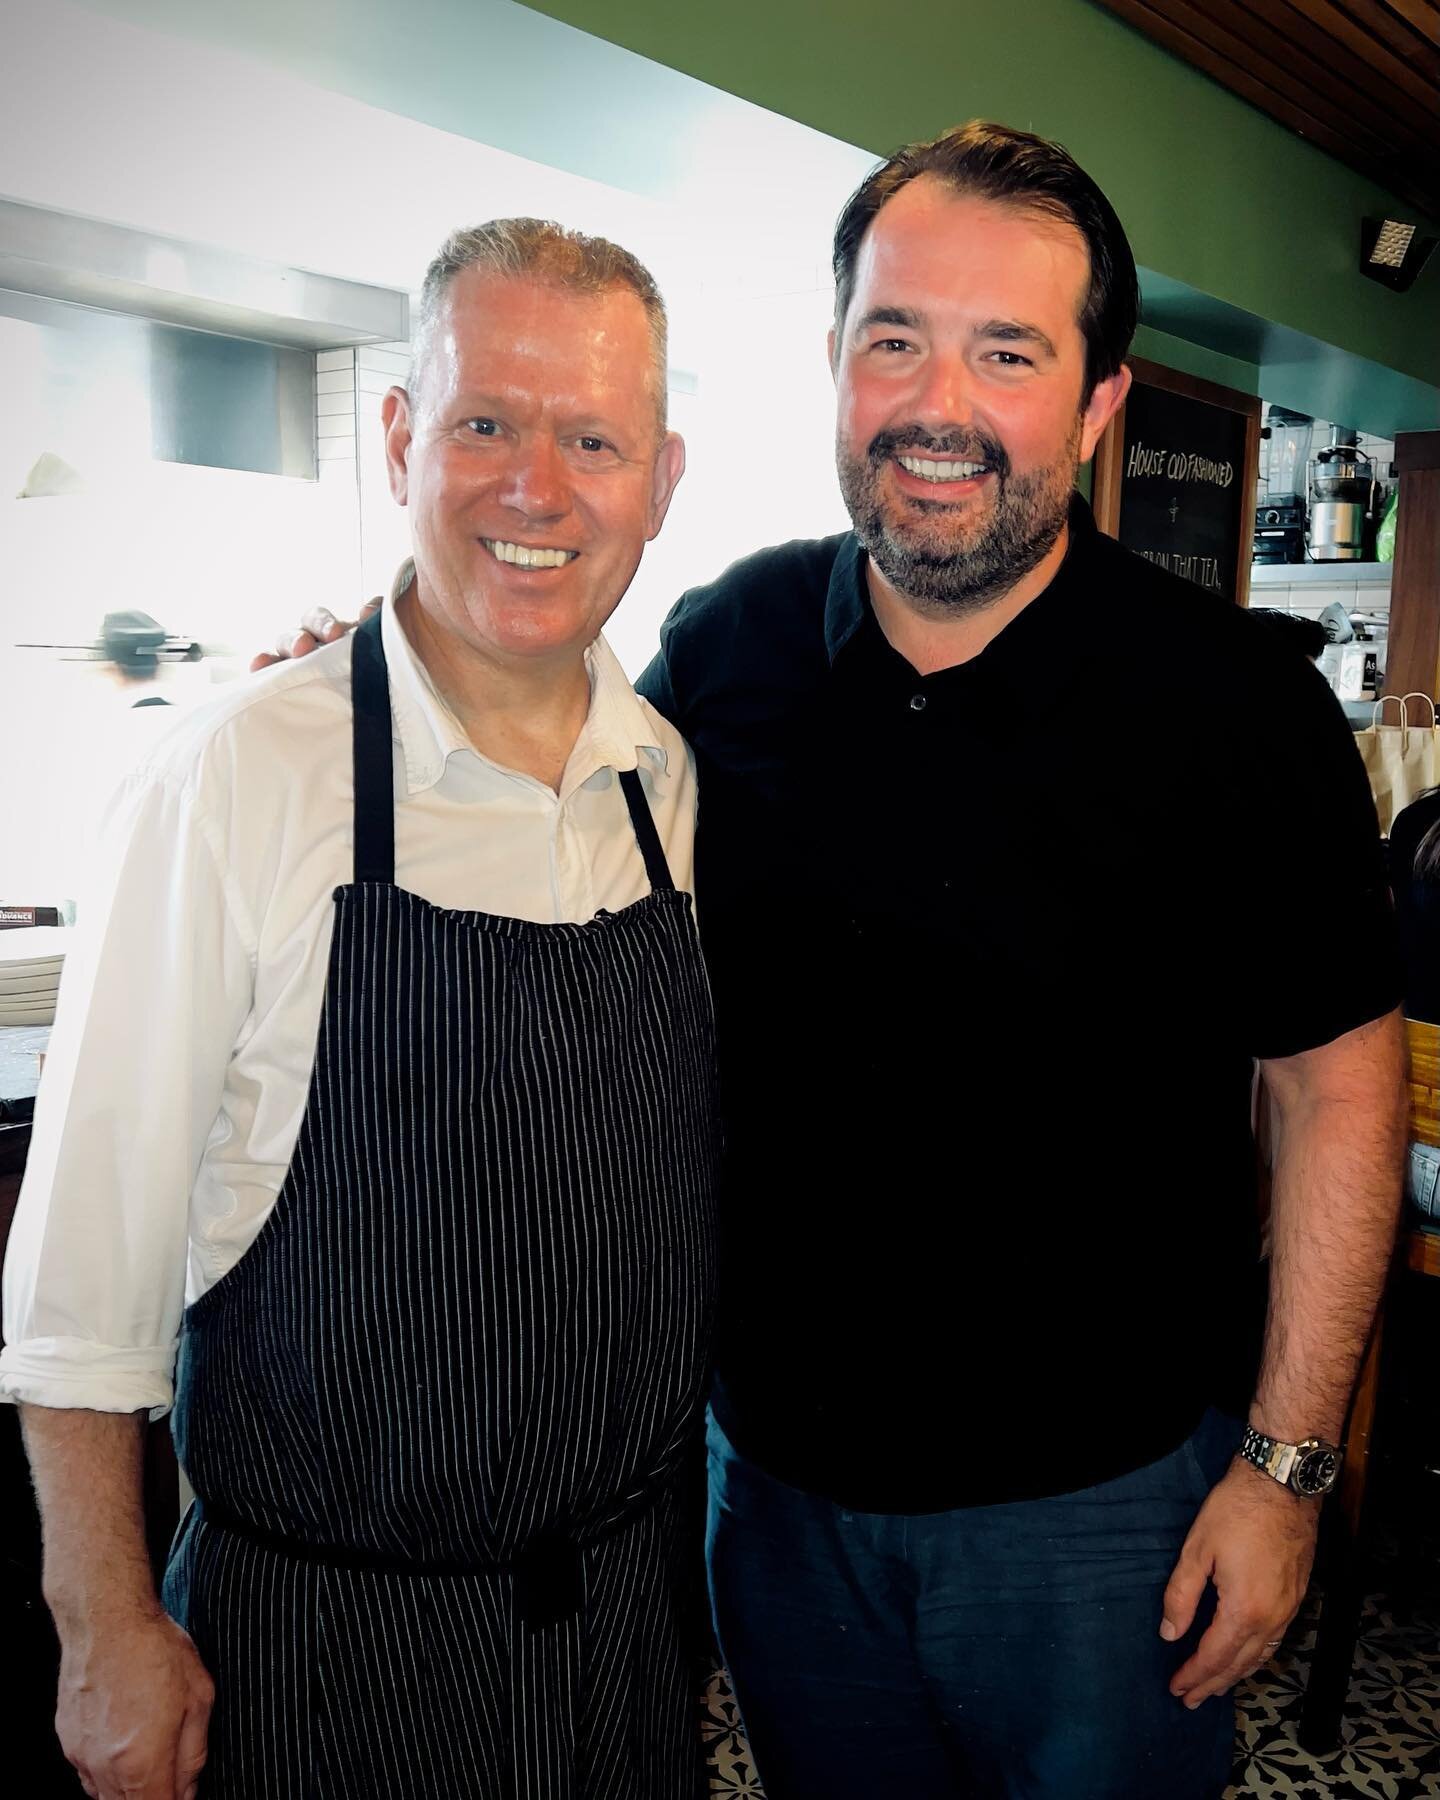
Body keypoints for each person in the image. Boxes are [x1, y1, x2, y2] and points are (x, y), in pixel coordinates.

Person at [265, 124, 1407, 1800]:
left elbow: (1337, 1094)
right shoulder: (723, 644)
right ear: (835, 366)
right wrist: (349, 687)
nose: (938, 405)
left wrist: (1287, 1471)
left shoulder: (1241, 713)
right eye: (895, 339)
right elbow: (531, 789)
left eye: (1006, 353)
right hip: (775, 1499)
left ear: (1095, 406)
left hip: (1101, 1528)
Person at [2, 219, 720, 1800]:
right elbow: (80, 1291)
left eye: (590, 439)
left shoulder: (663, 779)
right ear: (401, 439)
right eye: (485, 422)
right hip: (322, 1657)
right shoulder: (236, 777)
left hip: (621, 1643)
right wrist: (102, 1623)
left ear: (660, 482)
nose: (535, 488)